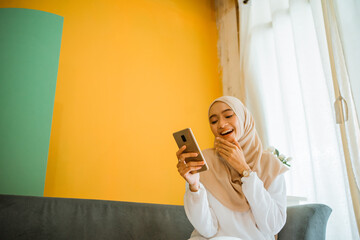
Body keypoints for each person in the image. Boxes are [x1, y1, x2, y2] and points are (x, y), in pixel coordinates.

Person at [176, 96, 289, 240]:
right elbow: (207, 230)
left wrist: (244, 170)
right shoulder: (204, 162)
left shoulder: (270, 165)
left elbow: (273, 226)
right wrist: (194, 186)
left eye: (228, 115)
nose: (221, 124)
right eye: (214, 121)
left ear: (244, 119)